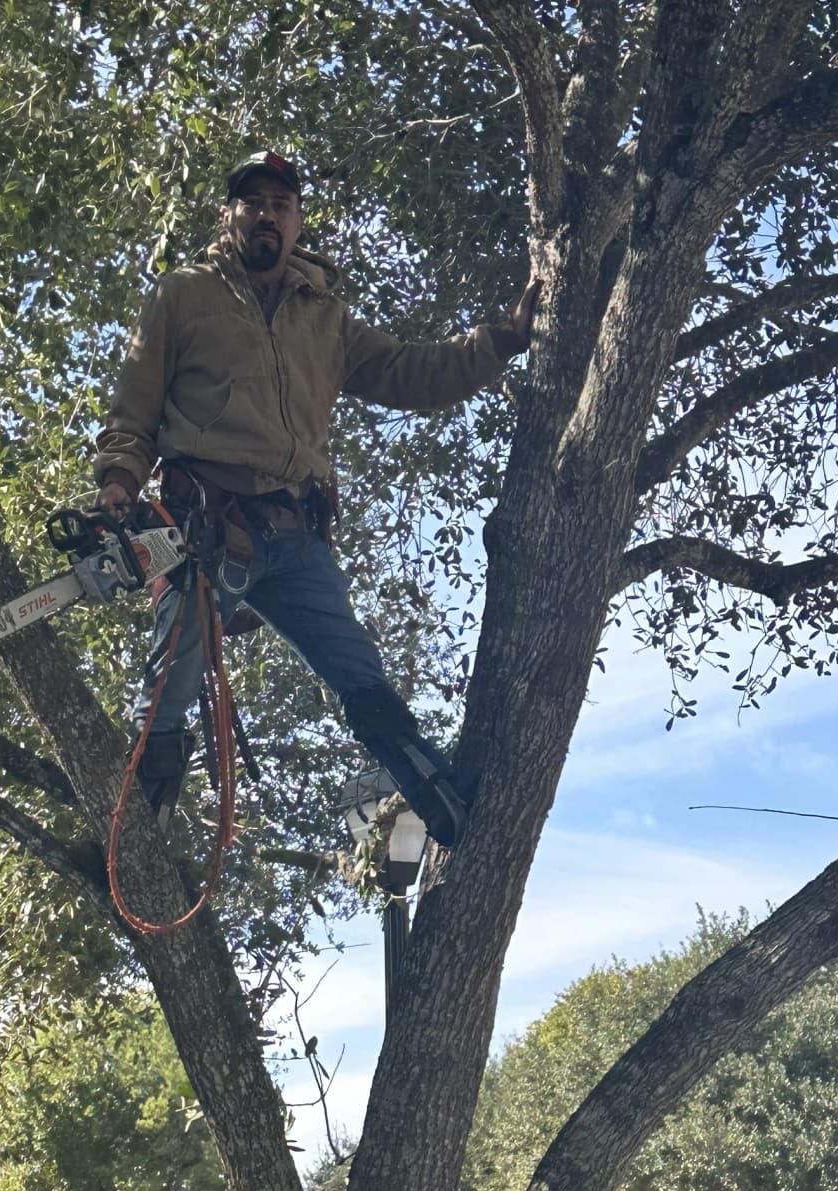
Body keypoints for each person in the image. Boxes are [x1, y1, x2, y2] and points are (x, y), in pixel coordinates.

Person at [95, 147, 539, 842]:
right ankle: (136, 845)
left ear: (298, 222)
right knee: (169, 687)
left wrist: (502, 339)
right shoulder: (184, 294)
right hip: (206, 523)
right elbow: (134, 404)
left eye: (281, 204)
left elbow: (407, 373)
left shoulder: (324, 316)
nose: (267, 214)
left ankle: (438, 795)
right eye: (253, 202)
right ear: (228, 214)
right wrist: (119, 482)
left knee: (356, 667)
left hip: (296, 534)